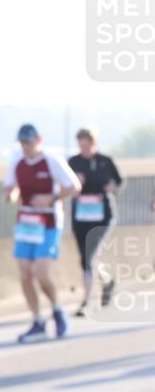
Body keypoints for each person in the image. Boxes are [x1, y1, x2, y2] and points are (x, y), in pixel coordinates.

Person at [2, 124, 81, 343]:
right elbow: (10, 188)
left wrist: (51, 199)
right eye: (23, 143)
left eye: (29, 142)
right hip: (26, 221)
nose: (26, 147)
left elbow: (73, 186)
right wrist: (10, 194)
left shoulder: (52, 160)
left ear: (39, 140)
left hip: (48, 221)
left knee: (41, 272)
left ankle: (57, 309)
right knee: (25, 272)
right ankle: (37, 320)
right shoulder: (17, 161)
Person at [67, 127, 122, 316]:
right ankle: (106, 281)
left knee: (90, 255)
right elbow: (64, 186)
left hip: (102, 215)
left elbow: (118, 182)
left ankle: (86, 302)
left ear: (94, 143)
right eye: (81, 144)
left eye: (87, 144)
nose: (84, 147)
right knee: (85, 257)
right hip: (81, 215)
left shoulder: (105, 162)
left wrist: (112, 187)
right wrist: (74, 184)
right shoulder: (73, 162)